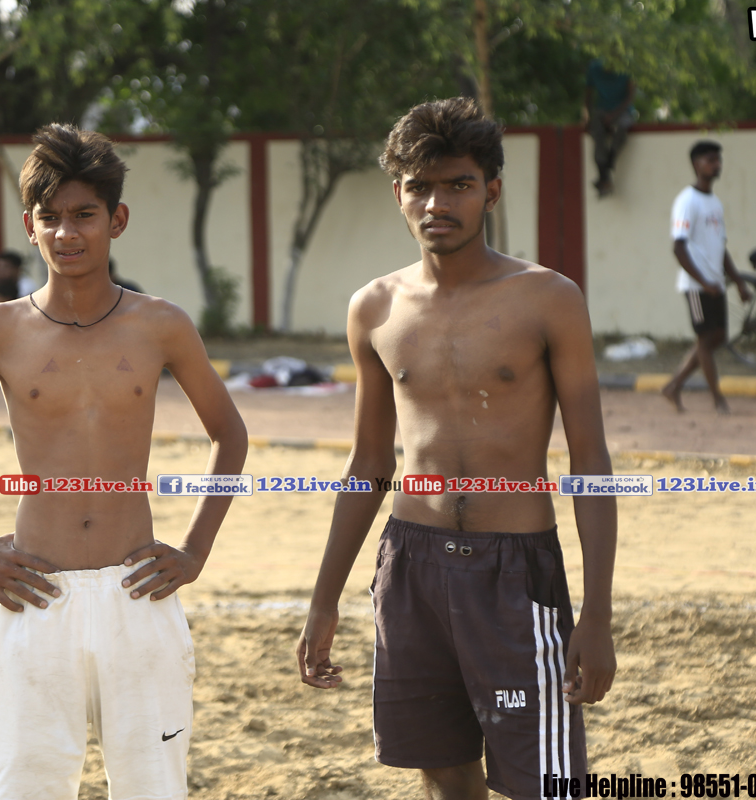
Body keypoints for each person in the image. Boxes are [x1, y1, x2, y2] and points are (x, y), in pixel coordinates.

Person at [0, 122, 247, 800]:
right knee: (18, 789)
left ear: (117, 220)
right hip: (33, 593)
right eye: (50, 216)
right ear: (29, 226)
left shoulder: (161, 325)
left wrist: (194, 551)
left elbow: (229, 435)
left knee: (153, 790)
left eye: (84, 214)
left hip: (138, 593)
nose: (67, 232)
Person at [296, 98, 616, 800]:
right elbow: (368, 464)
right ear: (398, 194)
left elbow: (590, 462)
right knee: (442, 772)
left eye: (458, 185)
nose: (437, 204)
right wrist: (324, 601)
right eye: (420, 186)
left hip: (516, 574)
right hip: (411, 568)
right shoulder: (374, 308)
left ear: (491, 191)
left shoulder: (548, 299)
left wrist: (596, 613)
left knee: (547, 782)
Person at [661, 140, 750, 415]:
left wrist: (738, 281)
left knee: (717, 338)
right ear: (696, 164)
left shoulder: (715, 203)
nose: (716, 165)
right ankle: (717, 399)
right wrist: (702, 282)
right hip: (696, 286)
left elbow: (721, 247)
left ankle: (674, 385)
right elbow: (678, 247)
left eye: (718, 160)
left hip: (715, 284)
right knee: (705, 341)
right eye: (710, 160)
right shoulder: (687, 201)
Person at [584, 57, 635, 198]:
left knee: (622, 128)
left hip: (623, 111)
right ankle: (604, 177)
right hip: (602, 110)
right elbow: (588, 93)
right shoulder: (594, 69)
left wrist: (614, 114)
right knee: (597, 135)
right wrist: (586, 115)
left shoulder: (626, 70)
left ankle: (610, 161)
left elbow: (630, 96)